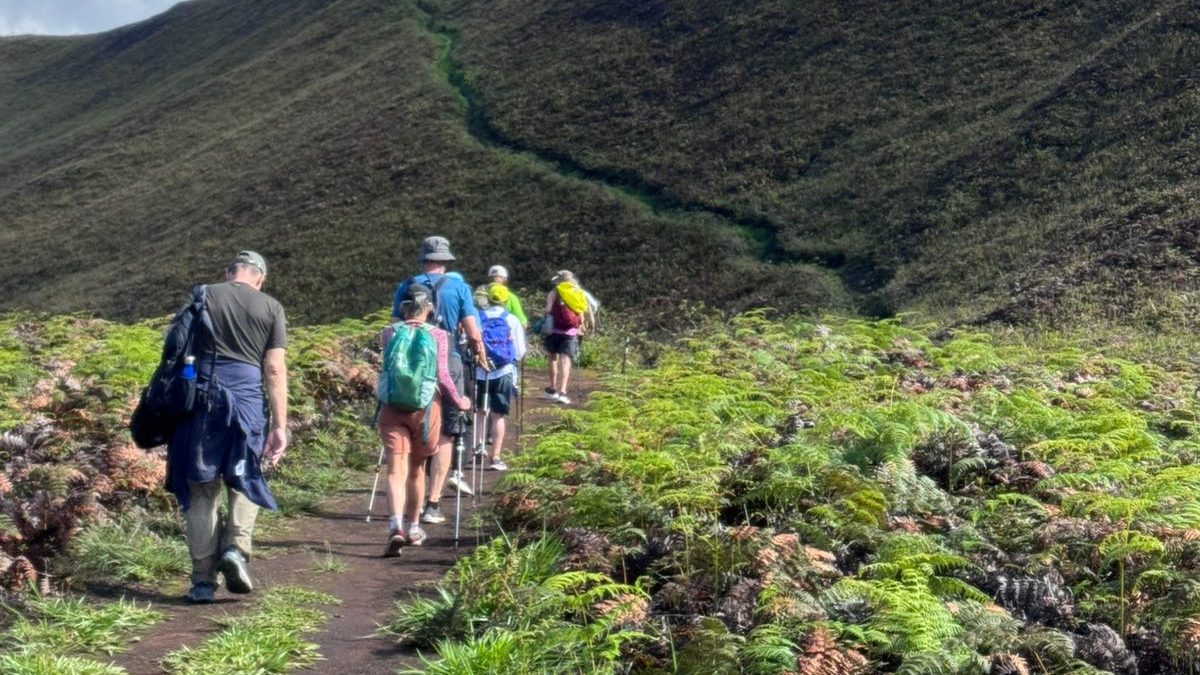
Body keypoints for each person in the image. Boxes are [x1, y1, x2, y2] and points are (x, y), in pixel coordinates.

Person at [167, 251, 288, 604]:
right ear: (260, 278)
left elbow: (175, 345)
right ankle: (235, 550)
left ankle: (202, 582)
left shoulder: (203, 294)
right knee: (245, 479)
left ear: (228, 272)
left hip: (199, 400)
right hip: (247, 403)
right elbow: (275, 369)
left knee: (201, 489)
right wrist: (279, 425)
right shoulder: (271, 307)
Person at [390, 236, 487, 525]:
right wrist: (480, 353)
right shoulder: (459, 287)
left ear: (424, 259)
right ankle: (432, 504)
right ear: (446, 261)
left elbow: (396, 326)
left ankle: (409, 503)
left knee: (410, 422)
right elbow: (472, 331)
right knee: (446, 431)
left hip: (410, 365)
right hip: (450, 361)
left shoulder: (406, 285)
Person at [378, 284, 472, 556]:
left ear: (403, 308)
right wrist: (459, 400)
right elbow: (442, 374)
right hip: (426, 408)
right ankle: (413, 527)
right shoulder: (440, 336)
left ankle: (395, 525)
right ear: (429, 309)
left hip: (392, 407)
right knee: (417, 469)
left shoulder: (388, 333)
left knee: (395, 470)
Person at [473, 285, 527, 471]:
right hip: (504, 372)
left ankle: (479, 446)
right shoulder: (511, 319)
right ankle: (495, 457)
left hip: (481, 371)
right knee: (498, 415)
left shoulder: (479, 317)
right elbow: (520, 351)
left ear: (488, 298)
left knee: (481, 411)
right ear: (505, 301)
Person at [542, 270, 596, 405]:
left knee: (553, 358)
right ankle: (563, 391)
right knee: (565, 361)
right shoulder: (578, 292)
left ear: (559, 280)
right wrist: (579, 327)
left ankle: (552, 389)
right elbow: (581, 314)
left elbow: (548, 310)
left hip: (554, 331)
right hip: (570, 332)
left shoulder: (554, 293)